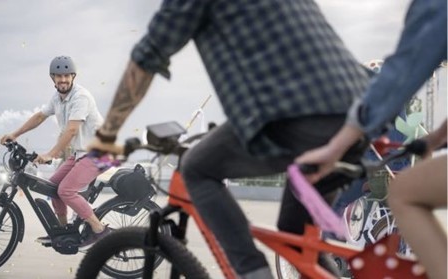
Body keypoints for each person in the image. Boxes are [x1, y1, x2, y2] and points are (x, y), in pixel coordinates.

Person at [87, 1, 373, 278]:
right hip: (358, 114)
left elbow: (147, 55)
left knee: (197, 166)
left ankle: (252, 272)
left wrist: (107, 135)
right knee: (295, 237)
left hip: (299, 113)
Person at [295, 0, 447, 278]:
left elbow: (402, 71)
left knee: (404, 193)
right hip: (382, 162)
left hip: (370, 160)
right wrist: (437, 138)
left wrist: (335, 146)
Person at [0, 55, 111, 246]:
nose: (63, 80)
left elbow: (72, 130)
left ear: (73, 76)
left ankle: (99, 230)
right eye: (59, 76)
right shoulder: (58, 98)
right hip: (80, 153)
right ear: (53, 78)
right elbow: (40, 116)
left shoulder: (80, 97)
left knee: (66, 190)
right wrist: (15, 134)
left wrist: (51, 154)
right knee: (52, 188)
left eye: (67, 76)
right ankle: (63, 231)